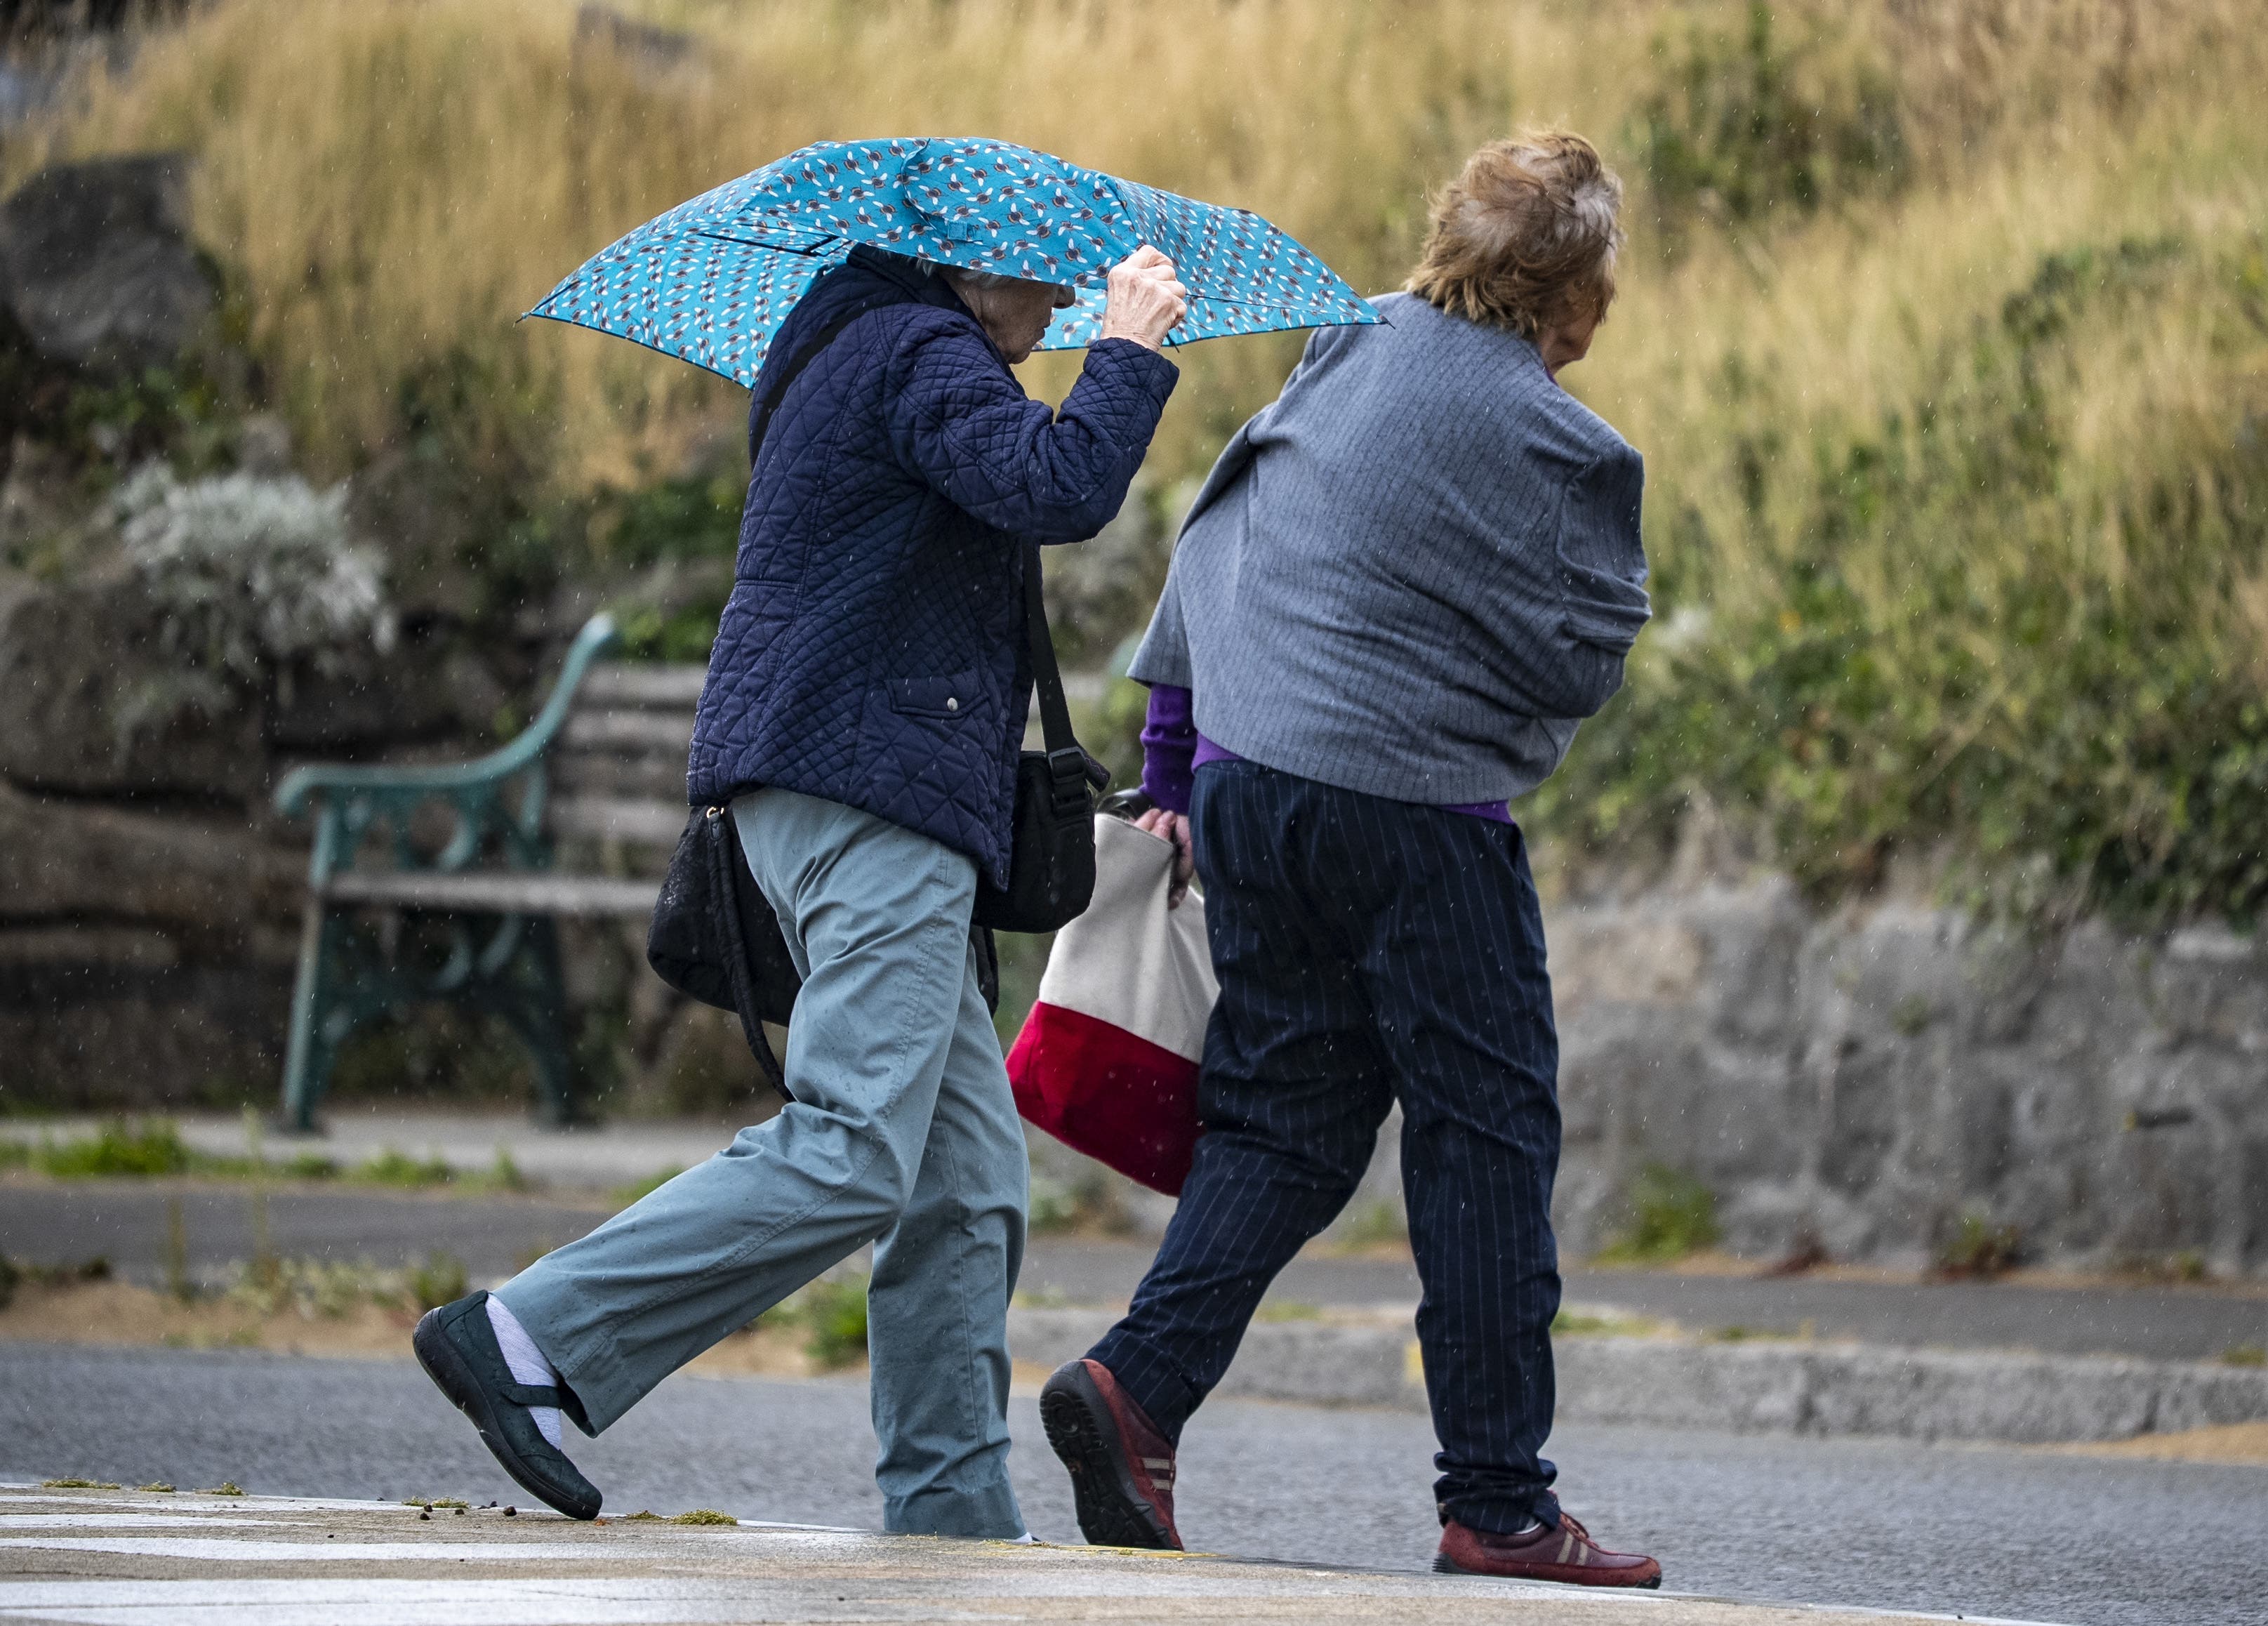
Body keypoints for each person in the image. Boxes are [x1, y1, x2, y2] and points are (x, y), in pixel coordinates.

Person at [413, 242, 1188, 1538]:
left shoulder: (870, 346)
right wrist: (1130, 353)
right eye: (1041, 286)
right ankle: (528, 1331)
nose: (1055, 310)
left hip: (860, 792)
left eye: (1073, 296)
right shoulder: (919, 351)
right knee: (852, 1149)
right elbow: (1057, 486)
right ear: (965, 268)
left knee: (963, 1181)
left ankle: (951, 1518)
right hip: (866, 799)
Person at [1038, 132, 1661, 1587]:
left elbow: (1221, 529)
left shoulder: (1345, 341)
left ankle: (1138, 1388)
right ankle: (1500, 1505)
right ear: (1573, 296)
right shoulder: (1566, 444)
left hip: (1254, 792)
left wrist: (1176, 766)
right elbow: (1580, 657)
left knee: (1287, 1122)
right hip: (1415, 817)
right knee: (1484, 1139)